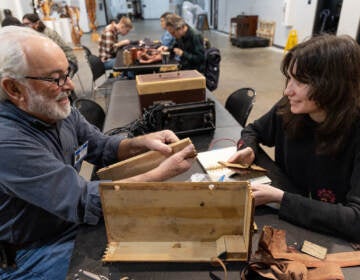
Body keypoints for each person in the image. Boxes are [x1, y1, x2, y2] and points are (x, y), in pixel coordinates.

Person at [0, 26, 195, 279]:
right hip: (32, 250)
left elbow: (102, 146)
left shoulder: (54, 109)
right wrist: (159, 174)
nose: (69, 85)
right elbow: (82, 201)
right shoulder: (8, 142)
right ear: (14, 89)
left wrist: (144, 142)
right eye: (55, 78)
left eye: (67, 72)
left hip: (66, 222)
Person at [228, 34, 360, 242]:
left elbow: (355, 221)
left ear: (333, 85)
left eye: (300, 81)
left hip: (334, 239)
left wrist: (281, 199)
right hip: (294, 222)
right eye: (289, 78)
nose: (288, 90)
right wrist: (249, 149)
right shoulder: (290, 107)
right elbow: (253, 130)